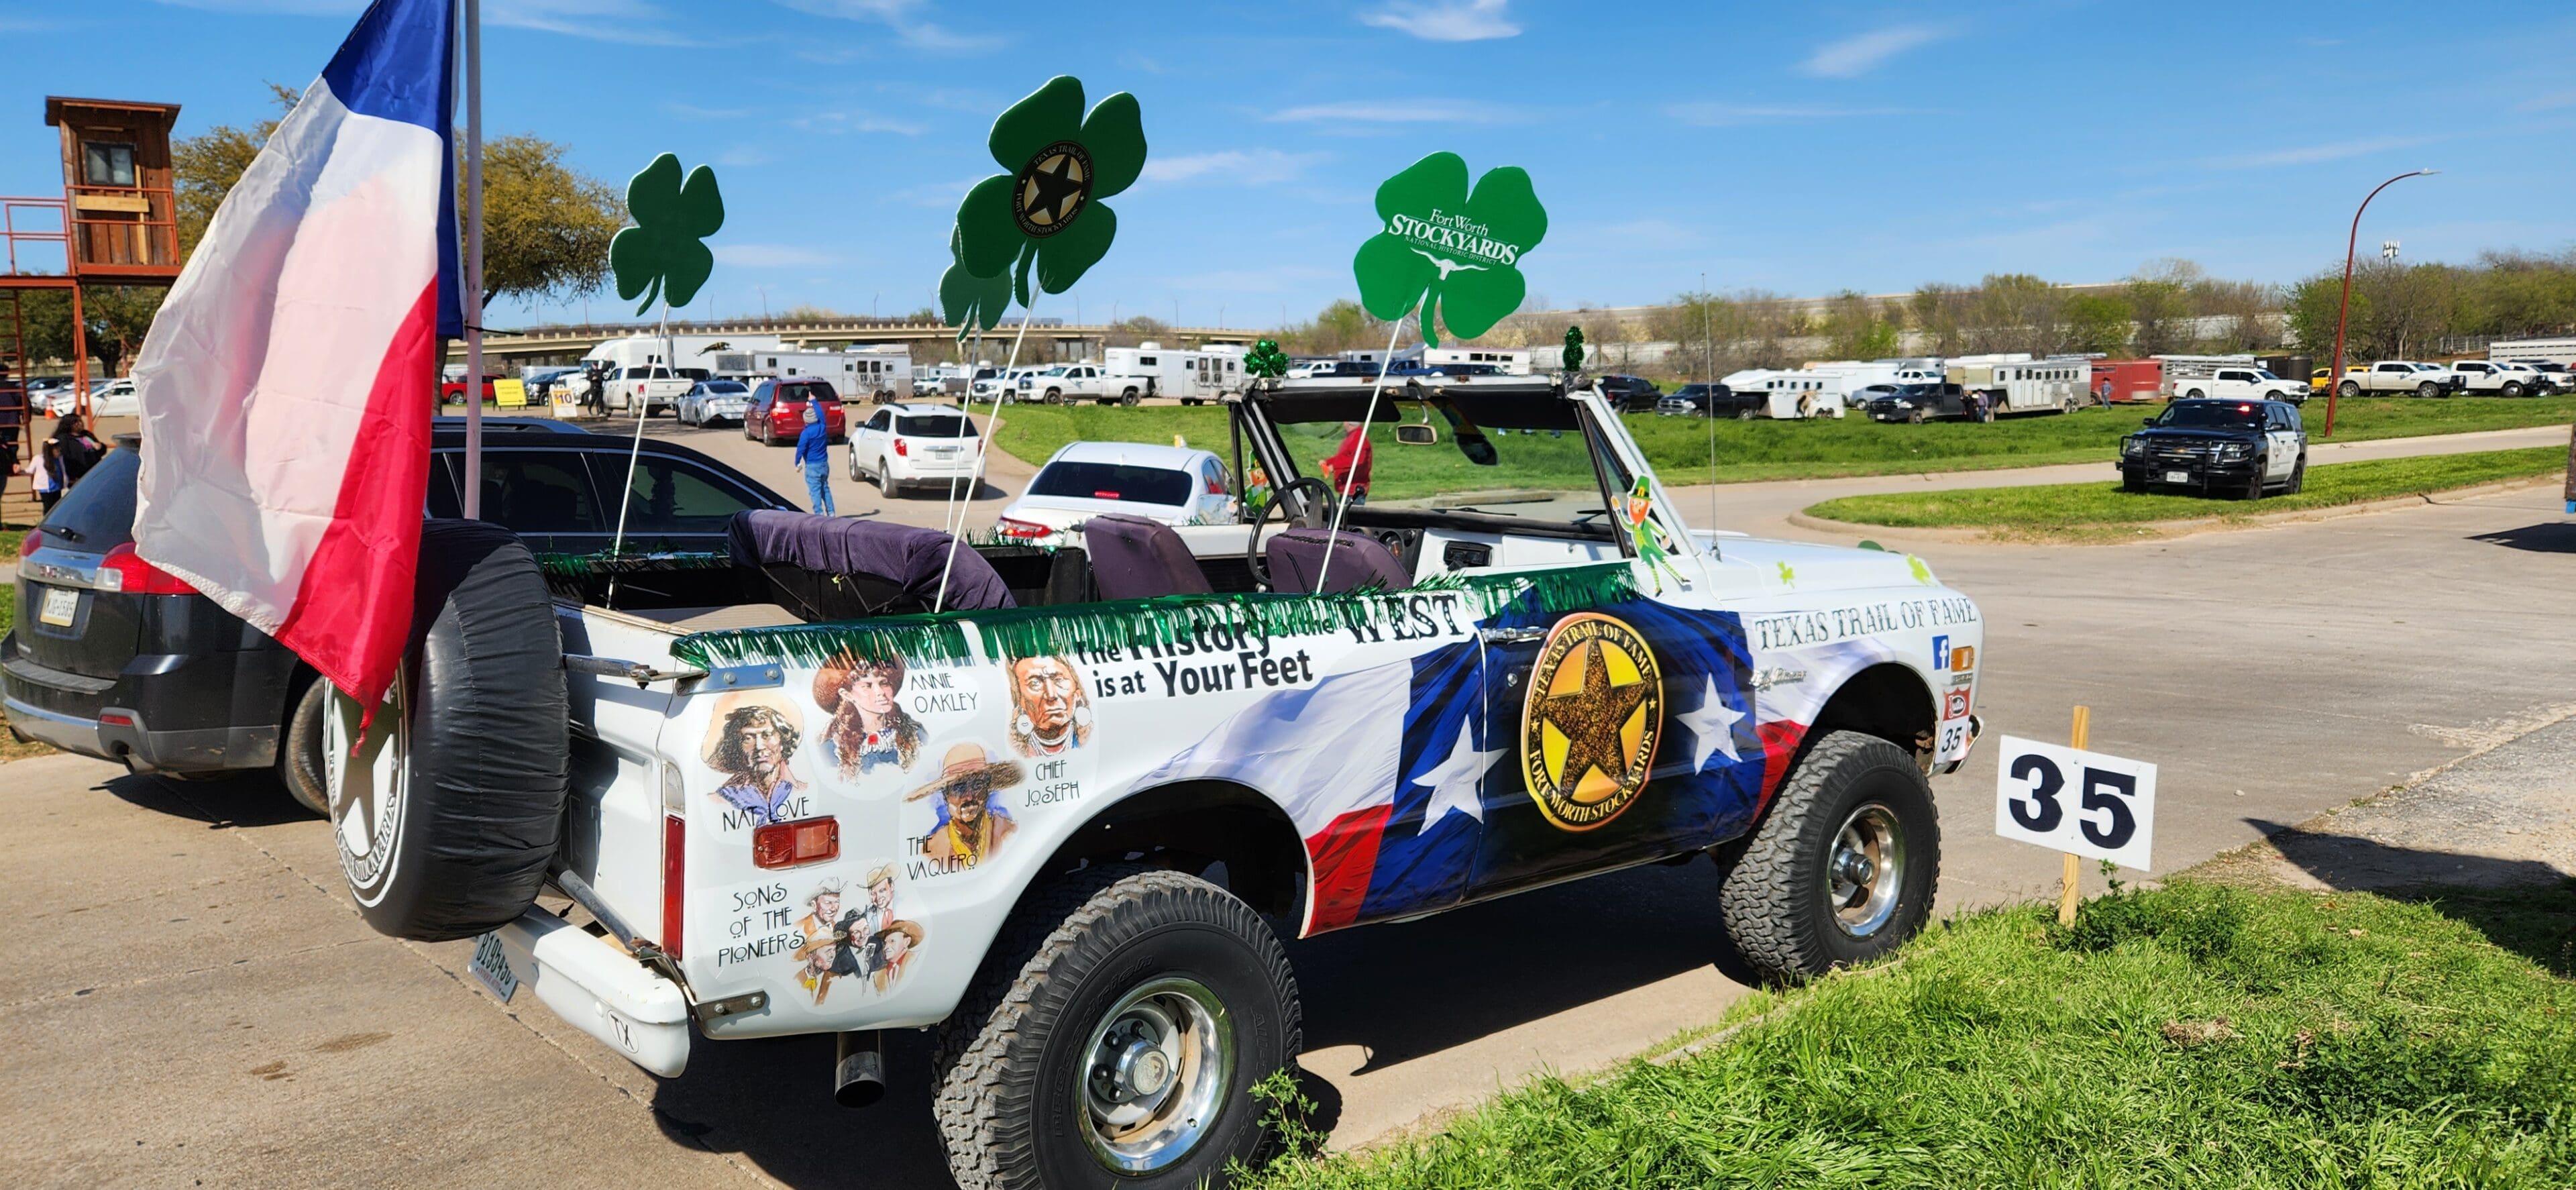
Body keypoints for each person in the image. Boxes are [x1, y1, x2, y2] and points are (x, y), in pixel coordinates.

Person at [909, 743, 1023, 866]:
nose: (969, 796)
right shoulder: (932, 849)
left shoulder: (1007, 832)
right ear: (946, 796)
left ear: (986, 790)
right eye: (959, 788)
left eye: (977, 785)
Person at [816, 655, 924, 779]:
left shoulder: (916, 735)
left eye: (884, 683)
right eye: (867, 686)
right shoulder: (833, 749)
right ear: (847, 695)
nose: (880, 692)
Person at [705, 702, 808, 824]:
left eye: (767, 735)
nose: (759, 747)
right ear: (736, 747)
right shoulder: (720, 801)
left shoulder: (804, 791)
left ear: (783, 740)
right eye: (748, 738)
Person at [1005, 655, 1090, 757]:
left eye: (1058, 680)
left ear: (1077, 693)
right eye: (1035, 683)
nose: (1051, 695)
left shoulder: (1090, 739)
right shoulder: (1015, 751)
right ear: (1021, 700)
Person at [794, 401, 833, 516]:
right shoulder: (822, 428)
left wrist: (797, 462)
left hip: (812, 466)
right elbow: (821, 415)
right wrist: (814, 401)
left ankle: (819, 514)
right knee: (825, 488)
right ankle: (831, 512)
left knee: (814, 491)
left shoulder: (806, 433)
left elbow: (800, 449)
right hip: (824, 464)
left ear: (805, 420)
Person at [1318, 420, 1371, 505]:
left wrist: (1334, 466)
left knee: (1351, 517)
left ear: (1348, 423)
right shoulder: (1353, 437)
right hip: (1347, 489)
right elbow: (1343, 457)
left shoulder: (1359, 438)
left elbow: (1357, 460)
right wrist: (1328, 462)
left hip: (1354, 491)